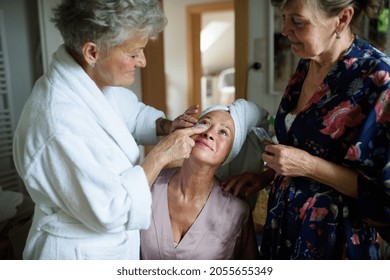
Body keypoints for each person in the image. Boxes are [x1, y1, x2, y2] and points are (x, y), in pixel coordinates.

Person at [12, 0, 207, 260]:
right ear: (93, 52)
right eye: (134, 52)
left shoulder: (90, 83)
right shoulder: (59, 122)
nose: (143, 61)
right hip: (77, 255)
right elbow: (111, 208)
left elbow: (131, 114)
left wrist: (167, 126)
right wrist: (161, 155)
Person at [223, 0, 390, 259]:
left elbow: (383, 196)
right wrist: (267, 177)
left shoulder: (379, 80)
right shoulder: (307, 63)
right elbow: (307, 148)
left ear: (342, 19)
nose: (284, 29)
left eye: (298, 21)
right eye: (284, 17)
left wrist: (308, 166)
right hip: (283, 227)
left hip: (334, 239)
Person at [140, 99, 267, 259]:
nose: (209, 133)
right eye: (205, 124)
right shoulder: (149, 182)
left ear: (230, 153)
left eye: (223, 132)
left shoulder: (237, 211)